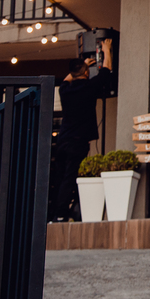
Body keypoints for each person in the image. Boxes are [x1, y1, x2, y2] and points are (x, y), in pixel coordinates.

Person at [50, 39, 116, 222]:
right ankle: (61, 214)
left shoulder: (65, 90)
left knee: (61, 177)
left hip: (63, 140)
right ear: (87, 73)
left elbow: (67, 78)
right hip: (78, 141)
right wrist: (106, 49)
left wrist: (83, 65)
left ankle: (56, 213)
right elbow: (106, 69)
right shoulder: (89, 87)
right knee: (71, 176)